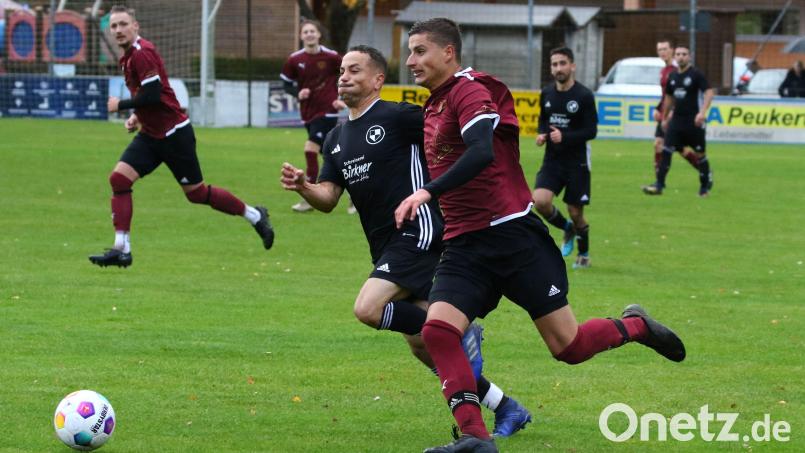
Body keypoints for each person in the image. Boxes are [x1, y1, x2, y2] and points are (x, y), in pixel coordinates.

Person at [395, 18, 686, 453]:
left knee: (568, 347)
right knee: (437, 331)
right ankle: (476, 439)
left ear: (448, 53)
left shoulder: (471, 90)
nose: (410, 60)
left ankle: (637, 326)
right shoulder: (433, 105)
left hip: (513, 239)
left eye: (419, 51)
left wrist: (426, 192)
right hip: (466, 246)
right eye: (409, 52)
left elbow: (480, 151)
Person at [280, 45, 532, 438]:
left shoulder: (399, 116)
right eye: (342, 70)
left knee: (367, 308)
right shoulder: (335, 138)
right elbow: (328, 199)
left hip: (419, 229)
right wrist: (304, 186)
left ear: (378, 79)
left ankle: (460, 331)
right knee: (422, 345)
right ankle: (507, 408)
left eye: (355, 70)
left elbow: (453, 136)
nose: (344, 76)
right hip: (385, 244)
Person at [89, 6, 273, 268]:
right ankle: (122, 248)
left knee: (196, 193)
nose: (118, 30)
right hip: (151, 135)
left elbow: (152, 95)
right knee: (119, 178)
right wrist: (137, 116)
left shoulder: (142, 54)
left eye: (123, 24)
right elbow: (156, 95)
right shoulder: (128, 56)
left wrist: (120, 106)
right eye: (114, 26)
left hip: (175, 135)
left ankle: (255, 215)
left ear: (135, 26)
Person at [532, 47, 597, 269]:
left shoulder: (584, 95)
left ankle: (584, 253)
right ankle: (566, 228)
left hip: (577, 162)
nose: (558, 68)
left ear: (572, 66)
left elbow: (591, 131)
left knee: (576, 212)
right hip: (552, 160)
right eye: (554, 64)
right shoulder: (547, 93)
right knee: (539, 201)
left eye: (562, 63)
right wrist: (542, 134)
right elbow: (543, 120)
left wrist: (565, 136)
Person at [281, 19, 348, 213]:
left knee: (310, 149)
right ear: (301, 36)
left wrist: (340, 97)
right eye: (306, 32)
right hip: (308, 112)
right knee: (331, 156)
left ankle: (308, 198)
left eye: (312, 31)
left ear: (319, 34)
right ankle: (355, 191)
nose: (309, 34)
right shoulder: (295, 59)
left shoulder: (331, 57)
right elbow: (286, 83)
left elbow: (348, 74)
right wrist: (297, 93)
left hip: (327, 111)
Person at [643, 44, 715, 197]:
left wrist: (702, 112)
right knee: (666, 150)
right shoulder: (673, 76)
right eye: (678, 54)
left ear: (689, 56)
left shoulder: (696, 74)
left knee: (700, 154)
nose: (681, 56)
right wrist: (665, 117)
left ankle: (704, 188)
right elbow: (669, 97)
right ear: (675, 57)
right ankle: (659, 185)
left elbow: (709, 91)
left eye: (684, 54)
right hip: (676, 121)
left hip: (694, 121)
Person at [648, 38, 699, 186]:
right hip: (665, 114)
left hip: (674, 115)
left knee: (663, 145)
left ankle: (659, 182)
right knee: (671, 146)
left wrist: (672, 112)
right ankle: (704, 170)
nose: (662, 52)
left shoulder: (677, 70)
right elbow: (666, 95)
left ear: (672, 50)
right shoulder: (663, 71)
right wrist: (658, 109)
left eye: (665, 49)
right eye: (659, 50)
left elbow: (680, 94)